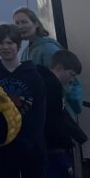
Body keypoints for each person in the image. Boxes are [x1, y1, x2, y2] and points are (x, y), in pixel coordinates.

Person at [0, 23, 46, 178]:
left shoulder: (34, 76)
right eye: (1, 43)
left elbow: (40, 112)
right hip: (1, 146)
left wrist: (30, 141)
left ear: (18, 46)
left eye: (10, 43)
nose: (5, 47)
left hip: (31, 146)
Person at [13, 8, 83, 119]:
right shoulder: (27, 50)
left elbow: (63, 82)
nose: (20, 26)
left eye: (24, 22)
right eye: (17, 23)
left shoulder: (48, 49)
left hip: (55, 112)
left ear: (36, 24)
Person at [41, 50, 88, 178]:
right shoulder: (53, 86)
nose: (72, 80)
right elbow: (55, 119)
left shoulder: (42, 81)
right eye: (71, 74)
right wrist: (67, 141)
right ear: (59, 68)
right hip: (53, 148)